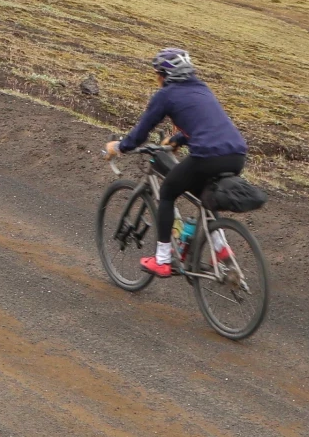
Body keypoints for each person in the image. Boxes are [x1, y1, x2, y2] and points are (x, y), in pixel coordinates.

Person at [102, 48, 248, 276]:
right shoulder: (201, 88)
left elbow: (140, 135)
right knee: (205, 195)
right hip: (237, 155)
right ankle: (221, 250)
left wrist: (119, 147)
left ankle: (162, 260)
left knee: (168, 191)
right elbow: (205, 125)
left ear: (166, 75)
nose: (157, 79)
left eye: (157, 74)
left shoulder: (166, 95)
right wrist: (177, 140)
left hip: (208, 157)